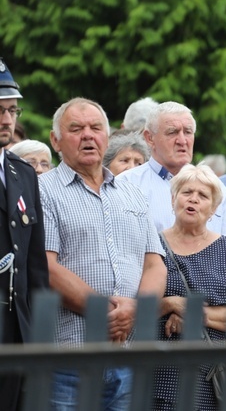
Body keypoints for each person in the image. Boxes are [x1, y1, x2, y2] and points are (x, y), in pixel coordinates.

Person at [41, 98, 166, 410]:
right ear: (55, 140)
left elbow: (155, 264)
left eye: (96, 128)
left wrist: (135, 310)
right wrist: (107, 314)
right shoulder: (41, 190)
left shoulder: (132, 193)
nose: (88, 135)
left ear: (107, 137)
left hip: (130, 354)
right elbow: (46, 266)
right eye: (76, 129)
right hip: (70, 356)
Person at [153, 164, 226, 410]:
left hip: (215, 370)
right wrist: (170, 303)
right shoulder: (153, 244)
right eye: (187, 192)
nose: (193, 200)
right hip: (162, 367)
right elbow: (140, 307)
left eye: (203, 196)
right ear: (173, 199)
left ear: (214, 209)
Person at [0, 60, 49, 411]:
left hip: (18, 328)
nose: (6, 120)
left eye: (12, 110)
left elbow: (34, 263)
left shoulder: (23, 173)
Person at [118, 102, 226, 236]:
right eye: (172, 132)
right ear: (149, 138)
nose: (182, 140)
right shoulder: (125, 185)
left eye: (187, 132)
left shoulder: (217, 188)